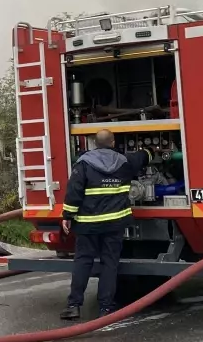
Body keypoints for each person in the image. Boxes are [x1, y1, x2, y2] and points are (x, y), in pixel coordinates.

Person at [59, 130, 152, 321]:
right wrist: (149, 150)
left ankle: (74, 306)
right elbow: (142, 157)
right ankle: (106, 309)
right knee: (109, 264)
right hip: (114, 224)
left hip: (87, 225)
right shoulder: (125, 162)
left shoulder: (83, 164)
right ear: (113, 142)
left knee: (83, 262)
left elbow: (73, 192)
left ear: (94, 143)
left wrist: (68, 216)